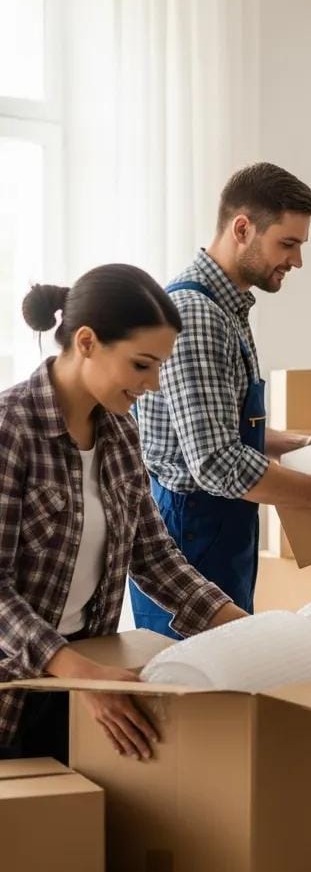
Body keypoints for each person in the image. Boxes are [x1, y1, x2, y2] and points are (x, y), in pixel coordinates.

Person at [131, 163, 311, 637]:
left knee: (228, 673)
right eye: (288, 243)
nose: (297, 260)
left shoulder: (226, 309)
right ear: (242, 229)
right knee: (194, 681)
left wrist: (295, 443)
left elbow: (216, 428)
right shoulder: (198, 316)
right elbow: (216, 463)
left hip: (217, 529)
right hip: (190, 536)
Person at [0, 264, 250, 764]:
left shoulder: (120, 435)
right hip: (17, 687)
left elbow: (154, 556)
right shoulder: (11, 429)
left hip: (80, 686)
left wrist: (249, 630)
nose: (153, 384)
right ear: (87, 342)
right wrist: (79, 673)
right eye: (141, 365)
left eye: (159, 367)